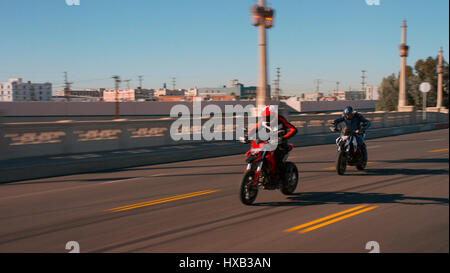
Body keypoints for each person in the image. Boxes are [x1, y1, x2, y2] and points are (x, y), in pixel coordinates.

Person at [246, 105, 298, 176]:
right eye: (264, 117)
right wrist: (247, 136)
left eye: (268, 117)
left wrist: (283, 138)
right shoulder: (263, 121)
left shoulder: (280, 120)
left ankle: (282, 179)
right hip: (268, 142)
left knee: (278, 159)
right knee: (256, 153)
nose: (266, 118)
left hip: (280, 143)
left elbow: (293, 129)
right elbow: (254, 129)